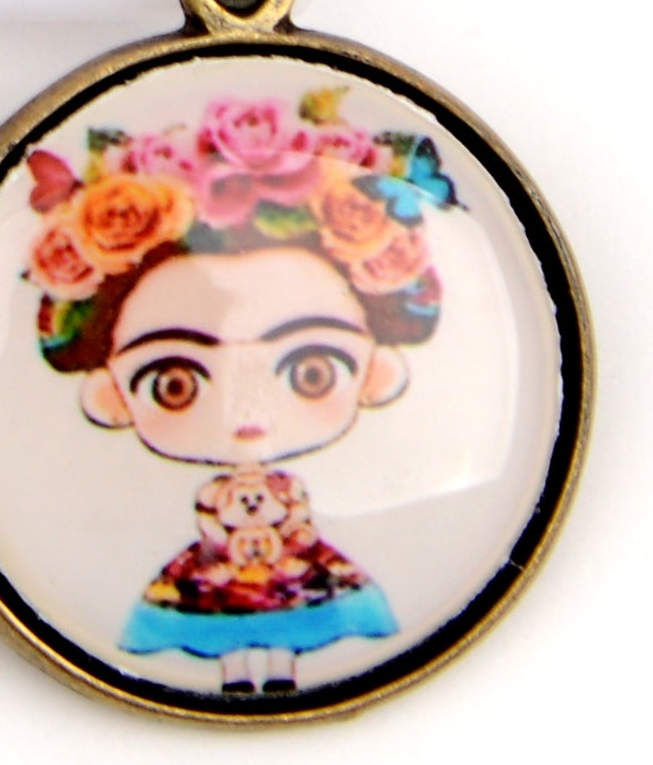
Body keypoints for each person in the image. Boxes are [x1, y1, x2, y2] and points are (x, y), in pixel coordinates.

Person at [25, 92, 446, 695]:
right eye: (175, 384)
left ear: (376, 372)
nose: (247, 416)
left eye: (311, 372)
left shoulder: (288, 495)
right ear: (111, 394)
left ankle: (282, 674)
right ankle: (236, 677)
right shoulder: (214, 501)